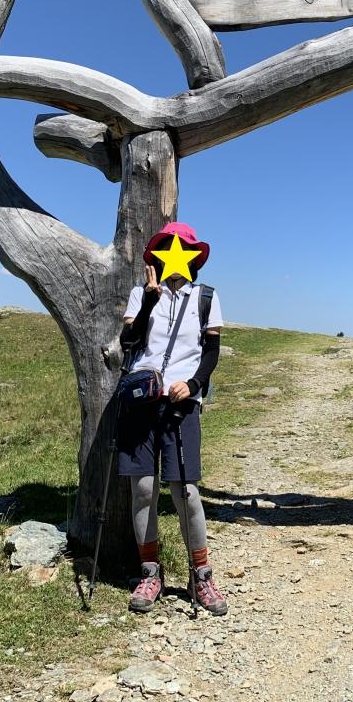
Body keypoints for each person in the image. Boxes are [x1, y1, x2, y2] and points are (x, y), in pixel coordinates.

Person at [116, 221, 228, 616]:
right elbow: (129, 343)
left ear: (193, 257)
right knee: (144, 489)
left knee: (185, 492)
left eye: (182, 248)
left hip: (182, 404)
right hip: (141, 401)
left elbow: (211, 352)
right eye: (168, 247)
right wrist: (149, 302)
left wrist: (194, 384)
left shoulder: (205, 297)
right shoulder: (140, 294)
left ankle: (202, 575)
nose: (174, 254)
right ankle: (150, 572)